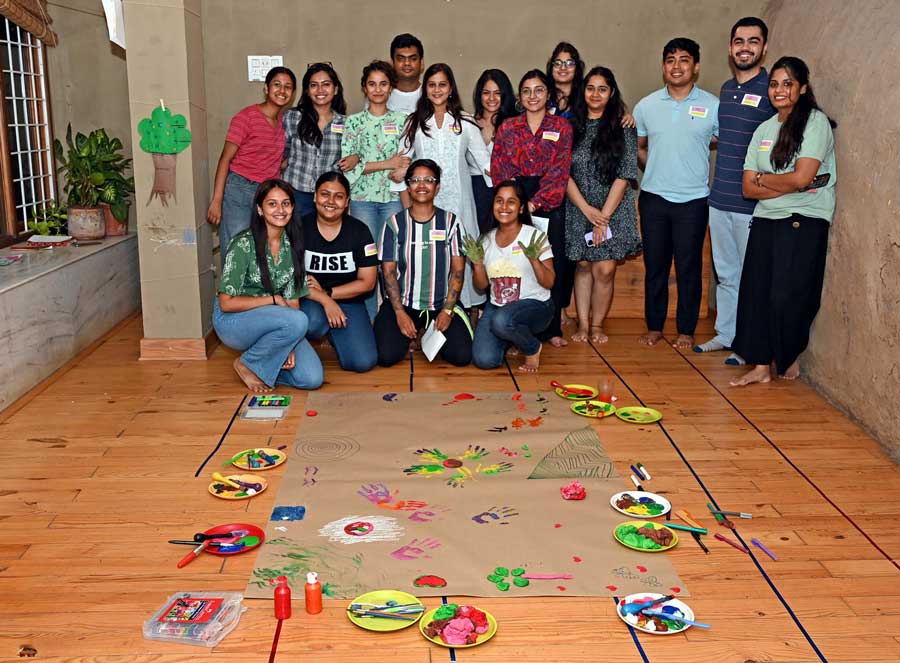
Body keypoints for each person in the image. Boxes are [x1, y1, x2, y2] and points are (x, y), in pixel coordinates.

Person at [730, 57, 837, 387]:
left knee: (787, 296)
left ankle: (787, 357)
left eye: (787, 83)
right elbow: (748, 187)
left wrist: (769, 181)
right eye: (774, 84)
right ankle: (761, 366)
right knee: (757, 294)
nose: (779, 90)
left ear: (803, 88)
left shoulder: (815, 123)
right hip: (765, 219)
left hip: (803, 220)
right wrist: (786, 182)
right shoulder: (764, 129)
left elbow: (804, 177)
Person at [695, 17, 775, 364]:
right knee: (726, 273)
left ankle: (748, 344)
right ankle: (726, 334)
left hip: (751, 203)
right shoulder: (726, 91)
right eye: (739, 41)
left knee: (752, 277)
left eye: (753, 41)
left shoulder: (773, 90)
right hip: (720, 198)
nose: (745, 47)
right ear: (730, 48)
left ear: (764, 47)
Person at [634, 38, 719, 349]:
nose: (677, 66)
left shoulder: (713, 106)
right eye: (670, 60)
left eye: (684, 60)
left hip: (694, 201)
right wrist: (655, 164)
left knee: (688, 267)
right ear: (663, 67)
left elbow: (726, 145)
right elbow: (640, 148)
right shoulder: (646, 106)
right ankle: (654, 327)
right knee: (655, 266)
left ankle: (686, 329)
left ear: (695, 67)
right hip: (654, 198)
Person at [213, 179, 323, 393]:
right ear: (260, 209)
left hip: (276, 321)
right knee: (300, 320)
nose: (280, 210)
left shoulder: (293, 246)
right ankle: (246, 364)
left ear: (292, 207)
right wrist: (271, 300)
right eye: (272, 204)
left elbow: (292, 301)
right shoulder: (243, 244)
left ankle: (264, 363)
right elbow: (226, 303)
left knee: (312, 379)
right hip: (232, 322)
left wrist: (288, 343)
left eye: (286, 203)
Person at [396, 63, 491, 309]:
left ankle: (466, 315)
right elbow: (402, 167)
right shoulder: (414, 123)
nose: (437, 89)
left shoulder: (466, 123)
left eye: (442, 84)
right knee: (428, 258)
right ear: (425, 89)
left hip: (461, 205)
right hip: (425, 205)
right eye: (432, 84)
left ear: (451, 89)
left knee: (464, 256)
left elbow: (487, 166)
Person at [491, 69, 573, 347]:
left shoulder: (562, 128)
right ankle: (519, 327)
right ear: (519, 96)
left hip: (548, 204)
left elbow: (559, 171)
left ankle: (551, 329)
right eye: (526, 91)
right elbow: (500, 168)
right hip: (513, 203)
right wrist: (515, 202)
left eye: (539, 90)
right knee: (517, 263)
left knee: (551, 262)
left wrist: (534, 203)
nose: (532, 96)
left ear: (548, 94)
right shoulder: (508, 127)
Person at [566, 66, 641, 344]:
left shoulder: (624, 127)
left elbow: (625, 173)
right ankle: (583, 324)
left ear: (611, 93)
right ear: (582, 92)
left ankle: (598, 324)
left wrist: (603, 218)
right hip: (578, 206)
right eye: (590, 88)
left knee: (605, 269)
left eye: (602, 89)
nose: (595, 94)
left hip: (613, 208)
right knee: (584, 265)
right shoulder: (570, 127)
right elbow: (562, 172)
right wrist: (586, 210)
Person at [375, 159, 472, 367]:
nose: (422, 185)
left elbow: (457, 271)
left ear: (437, 187)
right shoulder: (394, 223)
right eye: (415, 180)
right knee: (385, 357)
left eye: (428, 180)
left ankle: (425, 335)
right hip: (404, 304)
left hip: (441, 305)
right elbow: (389, 273)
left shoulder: (451, 222)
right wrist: (399, 313)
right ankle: (413, 333)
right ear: (408, 187)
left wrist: (447, 311)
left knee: (461, 357)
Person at [341, 60, 410, 318]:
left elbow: (405, 162)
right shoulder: (353, 123)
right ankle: (368, 320)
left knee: (392, 262)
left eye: (383, 84)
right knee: (366, 262)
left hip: (393, 198)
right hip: (361, 200)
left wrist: (366, 162)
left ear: (391, 87)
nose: (378, 89)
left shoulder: (403, 121)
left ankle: (395, 318)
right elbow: (348, 169)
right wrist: (387, 163)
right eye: (372, 84)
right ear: (364, 88)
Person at [207, 67, 296, 259]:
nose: (282, 90)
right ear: (266, 88)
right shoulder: (246, 117)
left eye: (288, 87)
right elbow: (225, 159)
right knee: (236, 250)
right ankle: (231, 290)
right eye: (277, 85)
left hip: (267, 194)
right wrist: (217, 200)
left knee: (264, 252)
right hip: (239, 189)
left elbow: (277, 160)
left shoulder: (285, 122)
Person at [467, 180, 555, 372]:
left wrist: (534, 260)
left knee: (502, 320)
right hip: (498, 306)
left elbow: (549, 282)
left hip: (536, 305)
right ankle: (511, 338)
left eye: (511, 202)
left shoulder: (534, 236)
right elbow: (481, 286)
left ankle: (532, 348)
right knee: (484, 360)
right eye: (499, 201)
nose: (504, 207)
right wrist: (477, 264)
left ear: (521, 207)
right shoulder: (486, 239)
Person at [302, 172, 378, 373]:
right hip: (309, 300)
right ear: (315, 197)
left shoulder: (360, 231)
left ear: (347, 202)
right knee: (313, 323)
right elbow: (290, 279)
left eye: (338, 196)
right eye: (325, 194)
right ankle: (300, 347)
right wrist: (325, 301)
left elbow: (367, 282)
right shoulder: (298, 228)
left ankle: (337, 336)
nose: (331, 201)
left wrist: (328, 294)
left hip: (348, 302)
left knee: (363, 362)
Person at [282, 63, 358, 217]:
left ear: (335, 89)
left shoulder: (347, 123)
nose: (320, 90)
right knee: (297, 239)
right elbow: (281, 154)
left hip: (330, 198)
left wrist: (356, 157)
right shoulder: (292, 117)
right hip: (296, 192)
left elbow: (356, 152)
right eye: (314, 85)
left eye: (326, 85)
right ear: (307, 91)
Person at [470, 69, 517, 234]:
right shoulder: (467, 122)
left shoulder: (515, 124)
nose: (491, 98)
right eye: (486, 93)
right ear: (479, 95)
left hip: (506, 191)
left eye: (497, 93)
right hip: (474, 192)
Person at [546, 41, 585, 119]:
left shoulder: (585, 97)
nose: (563, 68)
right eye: (558, 63)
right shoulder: (542, 95)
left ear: (577, 69)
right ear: (551, 67)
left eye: (569, 63)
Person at [388, 33, 424, 113]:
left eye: (413, 58)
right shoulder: (380, 94)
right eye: (401, 59)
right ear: (392, 63)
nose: (407, 63)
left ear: (421, 63)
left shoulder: (432, 94)